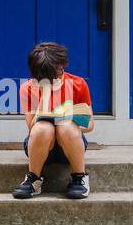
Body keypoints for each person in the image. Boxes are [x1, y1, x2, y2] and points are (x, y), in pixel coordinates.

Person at [13, 42, 94, 200]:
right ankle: (34, 179)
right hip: (42, 145)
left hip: (70, 145)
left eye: (55, 74)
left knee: (66, 127)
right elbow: (31, 126)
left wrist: (69, 121)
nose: (51, 79)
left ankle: (79, 178)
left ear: (63, 65)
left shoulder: (78, 84)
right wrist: (46, 92)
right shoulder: (28, 88)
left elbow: (90, 125)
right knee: (43, 127)